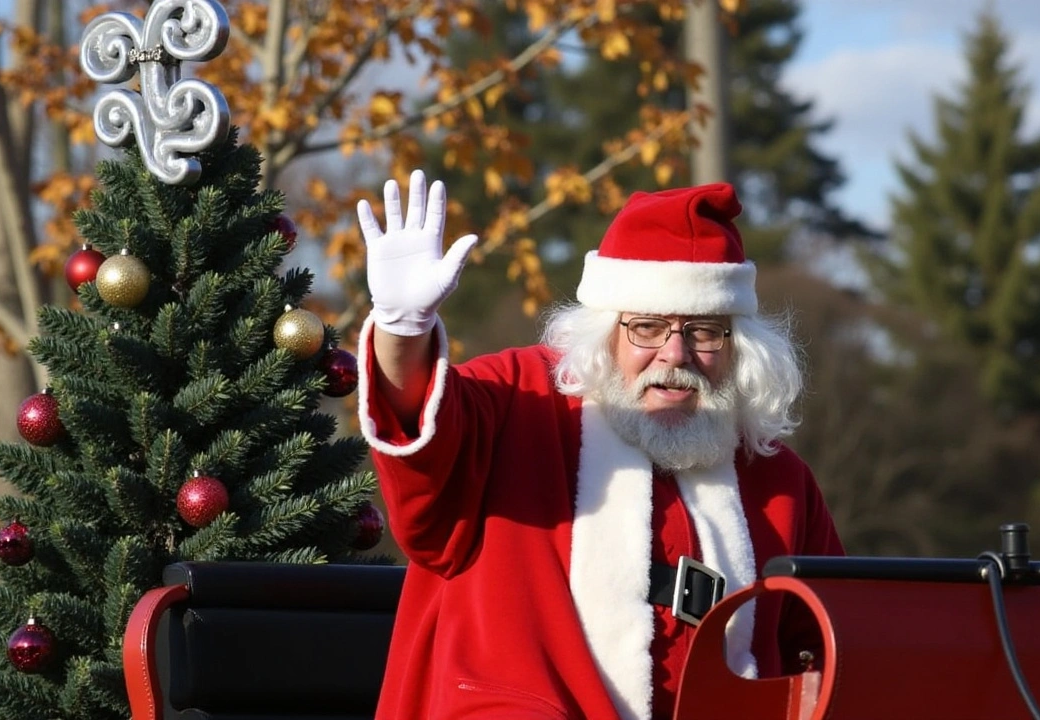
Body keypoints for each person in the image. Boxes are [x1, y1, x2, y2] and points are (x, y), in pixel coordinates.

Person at [354, 169, 845, 720]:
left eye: (705, 331)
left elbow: (834, 644)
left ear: (739, 348)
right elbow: (417, 425)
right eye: (648, 327)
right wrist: (403, 331)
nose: (675, 354)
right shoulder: (520, 402)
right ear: (606, 331)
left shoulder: (776, 479)